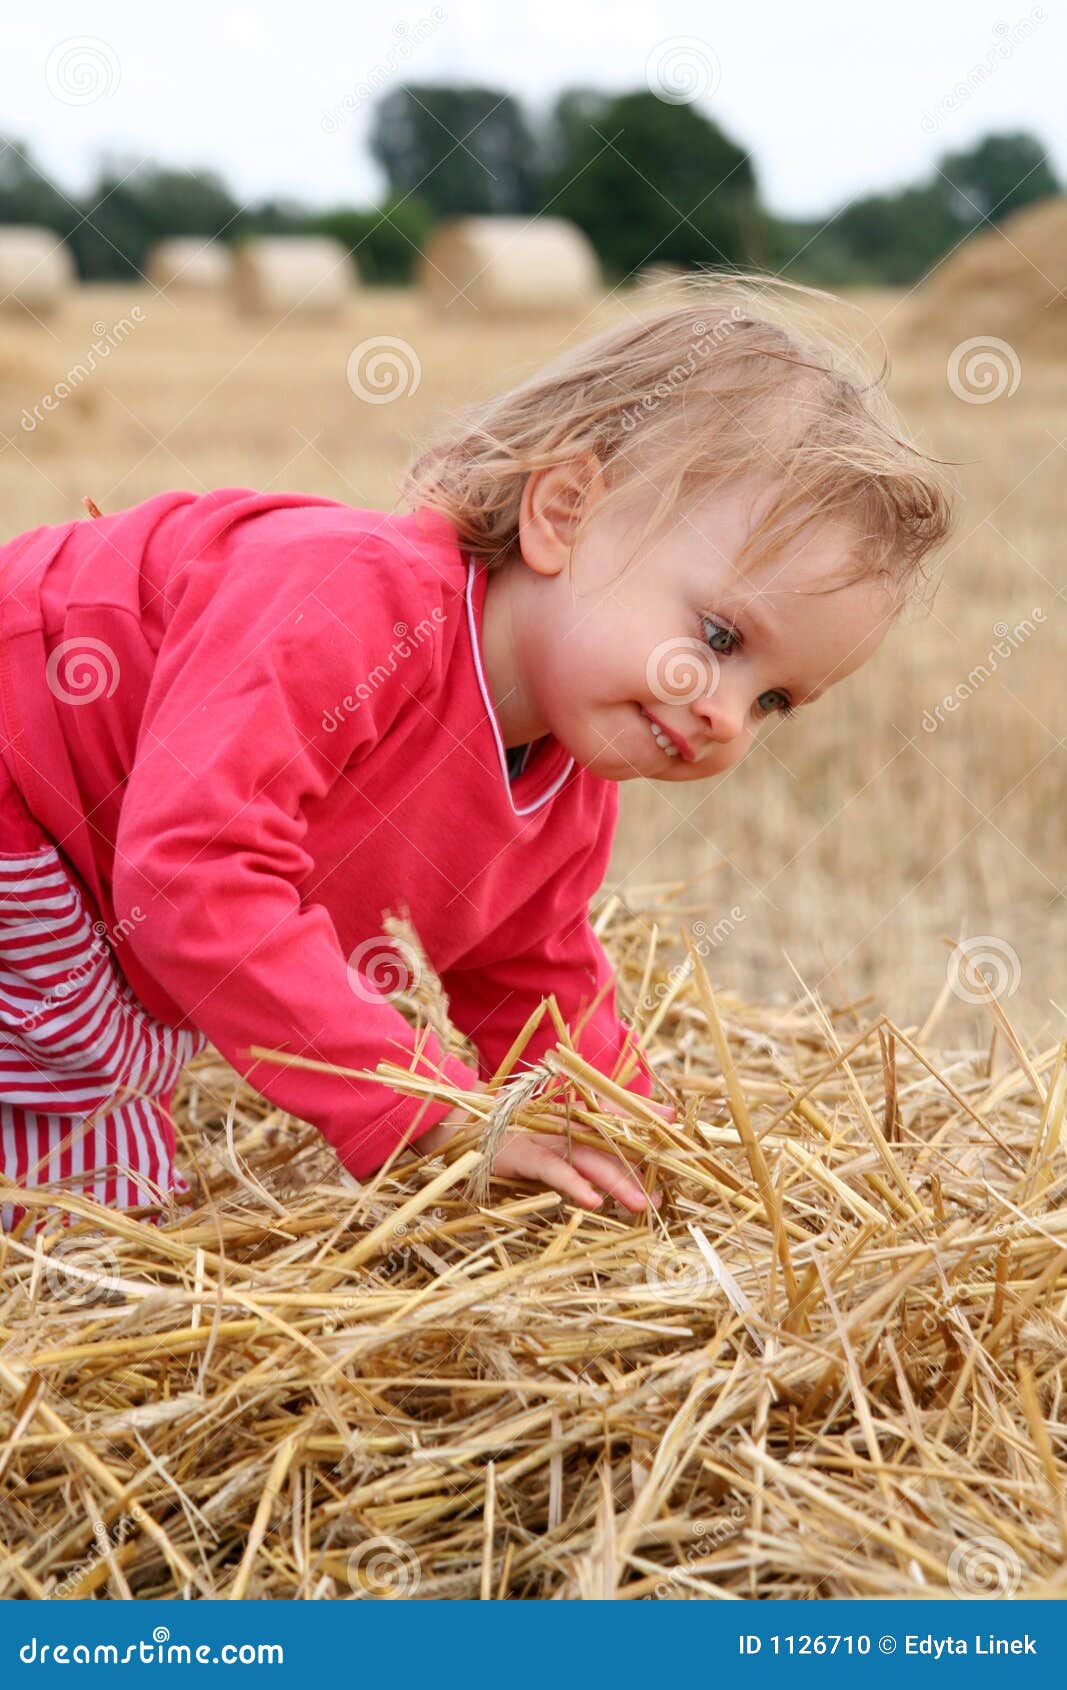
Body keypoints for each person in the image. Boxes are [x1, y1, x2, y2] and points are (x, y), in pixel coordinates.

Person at [0, 274, 954, 1236]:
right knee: (84, 1171)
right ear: (565, 512)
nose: (728, 719)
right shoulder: (350, 600)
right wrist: (431, 1115)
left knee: (116, 1110)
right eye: (717, 638)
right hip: (20, 783)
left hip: (85, 871)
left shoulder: (568, 787)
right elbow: (188, 875)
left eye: (775, 701)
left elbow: (533, 971)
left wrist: (637, 1143)